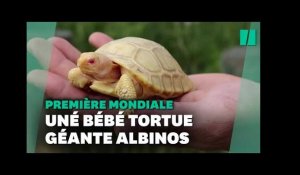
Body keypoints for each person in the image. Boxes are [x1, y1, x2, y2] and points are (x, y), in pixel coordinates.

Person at [27, 32, 256, 151]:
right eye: (85, 61)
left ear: (108, 64)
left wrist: (127, 107)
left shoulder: (125, 77)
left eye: (93, 62)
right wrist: (79, 75)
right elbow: (78, 73)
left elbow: (127, 86)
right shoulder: (88, 72)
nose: (85, 65)